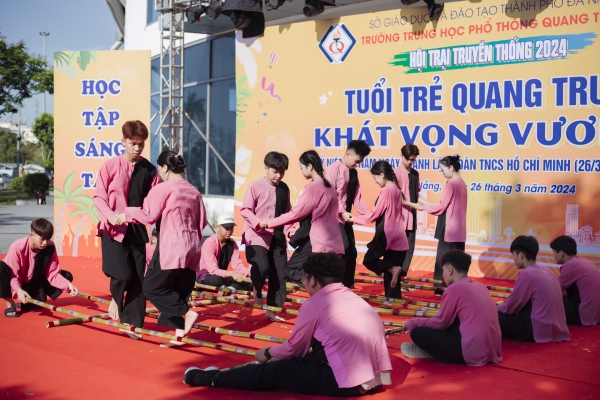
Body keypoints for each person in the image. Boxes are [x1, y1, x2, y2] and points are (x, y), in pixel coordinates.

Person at [183, 253, 392, 396]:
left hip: (347, 383)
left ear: (312, 280)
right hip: (374, 380)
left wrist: (266, 352)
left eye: (304, 279)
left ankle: (214, 379)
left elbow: (294, 350)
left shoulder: (316, 304)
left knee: (277, 370)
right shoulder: (355, 299)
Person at [114, 150, 206, 347]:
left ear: (165, 168)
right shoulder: (194, 191)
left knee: (151, 287)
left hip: (172, 245)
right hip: (193, 246)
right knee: (177, 289)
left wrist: (125, 215)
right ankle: (180, 334)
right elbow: (202, 223)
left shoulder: (163, 188)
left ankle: (187, 314)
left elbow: (148, 216)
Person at [93, 120, 160, 335]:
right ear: (123, 141)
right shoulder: (109, 167)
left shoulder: (150, 170)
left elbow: (155, 201)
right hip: (113, 230)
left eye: (141, 144)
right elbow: (99, 197)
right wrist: (109, 215)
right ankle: (116, 298)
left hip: (137, 229)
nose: (138, 148)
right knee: (122, 275)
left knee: (139, 279)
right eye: (133, 143)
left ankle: (132, 325)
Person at [401, 250, 502, 366]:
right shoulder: (481, 286)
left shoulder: (455, 288)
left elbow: (440, 322)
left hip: (471, 351)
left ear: (450, 270)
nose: (443, 274)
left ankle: (432, 352)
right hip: (491, 348)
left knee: (418, 332)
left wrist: (413, 323)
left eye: (443, 270)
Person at [267, 150, 344, 287]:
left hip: (319, 242)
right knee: (325, 278)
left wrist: (270, 223)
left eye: (301, 168)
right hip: (335, 242)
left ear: (309, 166)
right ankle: (320, 290)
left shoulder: (314, 186)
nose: (301, 171)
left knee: (292, 269)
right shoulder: (329, 185)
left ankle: (317, 289)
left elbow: (296, 214)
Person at [351, 161, 419, 298]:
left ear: (382, 175)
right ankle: (395, 302)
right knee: (392, 279)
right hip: (400, 236)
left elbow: (374, 214)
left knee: (369, 260)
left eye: (375, 177)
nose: (375, 181)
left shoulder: (387, 191)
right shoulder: (396, 190)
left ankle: (393, 269)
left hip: (388, 235)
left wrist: (353, 219)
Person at [240, 151, 292, 321]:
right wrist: (258, 222)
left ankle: (272, 310)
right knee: (262, 267)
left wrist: (290, 230)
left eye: (281, 172)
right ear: (266, 168)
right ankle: (257, 286)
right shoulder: (255, 186)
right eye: (275, 171)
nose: (278, 176)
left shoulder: (284, 188)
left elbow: (288, 213)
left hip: (277, 235)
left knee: (280, 273)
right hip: (256, 234)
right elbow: (245, 210)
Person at [497, 236, 570, 343]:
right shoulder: (548, 271)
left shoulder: (526, 274)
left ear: (521, 255)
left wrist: (495, 308)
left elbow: (511, 307)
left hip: (536, 330)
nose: (514, 259)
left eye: (514, 255)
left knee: (493, 314)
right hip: (556, 328)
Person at [1, 219, 78, 318]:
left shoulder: (50, 247)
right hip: (14, 278)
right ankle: (10, 303)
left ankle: (31, 297)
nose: (45, 243)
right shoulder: (17, 247)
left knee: (67, 276)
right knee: (0, 268)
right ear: (32, 235)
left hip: (34, 278)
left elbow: (53, 274)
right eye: (42, 239)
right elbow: (14, 275)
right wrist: (18, 289)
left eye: (48, 239)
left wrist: (68, 286)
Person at [324, 140, 371, 288]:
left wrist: (369, 215)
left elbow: (357, 197)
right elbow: (331, 195)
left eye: (360, 162)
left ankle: (347, 286)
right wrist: (342, 212)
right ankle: (334, 285)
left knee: (351, 253)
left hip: (346, 219)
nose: (358, 165)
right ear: (348, 154)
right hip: (333, 218)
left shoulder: (353, 172)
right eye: (357, 161)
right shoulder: (332, 170)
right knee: (342, 249)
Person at [419, 155, 467, 282]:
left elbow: (441, 207)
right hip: (459, 230)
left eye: (443, 169)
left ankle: (441, 288)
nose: (442, 172)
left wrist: (424, 207)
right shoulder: (462, 183)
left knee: (444, 262)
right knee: (457, 264)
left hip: (449, 229)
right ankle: (457, 287)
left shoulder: (451, 184)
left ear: (451, 168)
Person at [550, 235, 600, 326]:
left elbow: (554, 290)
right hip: (595, 315)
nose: (554, 256)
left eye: (554, 253)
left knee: (547, 299)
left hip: (583, 316)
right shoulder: (583, 261)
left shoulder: (570, 266)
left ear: (561, 253)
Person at [198, 214, 252, 292]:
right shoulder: (209, 243)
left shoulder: (232, 243)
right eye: (226, 228)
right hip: (208, 275)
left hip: (223, 276)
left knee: (247, 280)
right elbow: (213, 270)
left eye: (231, 228)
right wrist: (232, 274)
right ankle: (231, 287)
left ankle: (228, 289)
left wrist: (249, 272)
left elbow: (238, 265)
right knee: (216, 280)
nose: (229, 231)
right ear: (218, 227)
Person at [394, 144, 423, 276]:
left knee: (409, 249)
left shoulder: (415, 174)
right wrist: (414, 205)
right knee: (397, 251)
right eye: (409, 159)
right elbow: (395, 198)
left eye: (413, 160)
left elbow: (417, 195)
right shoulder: (395, 173)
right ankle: (394, 275)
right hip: (399, 218)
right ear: (401, 156)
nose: (410, 162)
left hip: (411, 216)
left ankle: (402, 274)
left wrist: (431, 205)